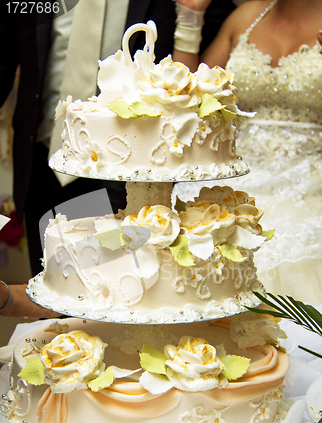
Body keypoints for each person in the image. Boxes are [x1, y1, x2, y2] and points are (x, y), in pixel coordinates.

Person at [0, 0, 236, 278]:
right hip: (43, 164)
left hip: (130, 176)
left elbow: (212, 68)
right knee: (54, 294)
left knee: (113, 299)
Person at [172, 0, 322, 303]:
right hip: (233, 176)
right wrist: (190, 18)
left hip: (307, 185)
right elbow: (187, 102)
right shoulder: (245, 17)